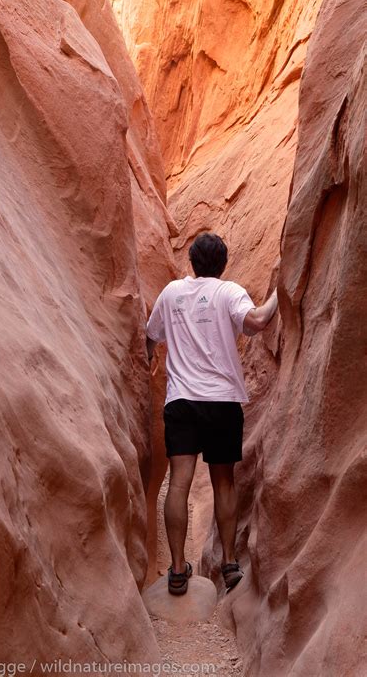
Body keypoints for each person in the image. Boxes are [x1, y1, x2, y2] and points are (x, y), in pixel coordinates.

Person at [146, 232, 278, 594]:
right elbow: (257, 321)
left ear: (192, 261)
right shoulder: (228, 292)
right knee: (224, 481)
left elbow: (150, 335)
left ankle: (176, 570)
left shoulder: (171, 293)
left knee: (179, 482)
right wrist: (281, 290)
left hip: (182, 401)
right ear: (222, 264)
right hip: (221, 401)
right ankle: (230, 564)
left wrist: (147, 360)